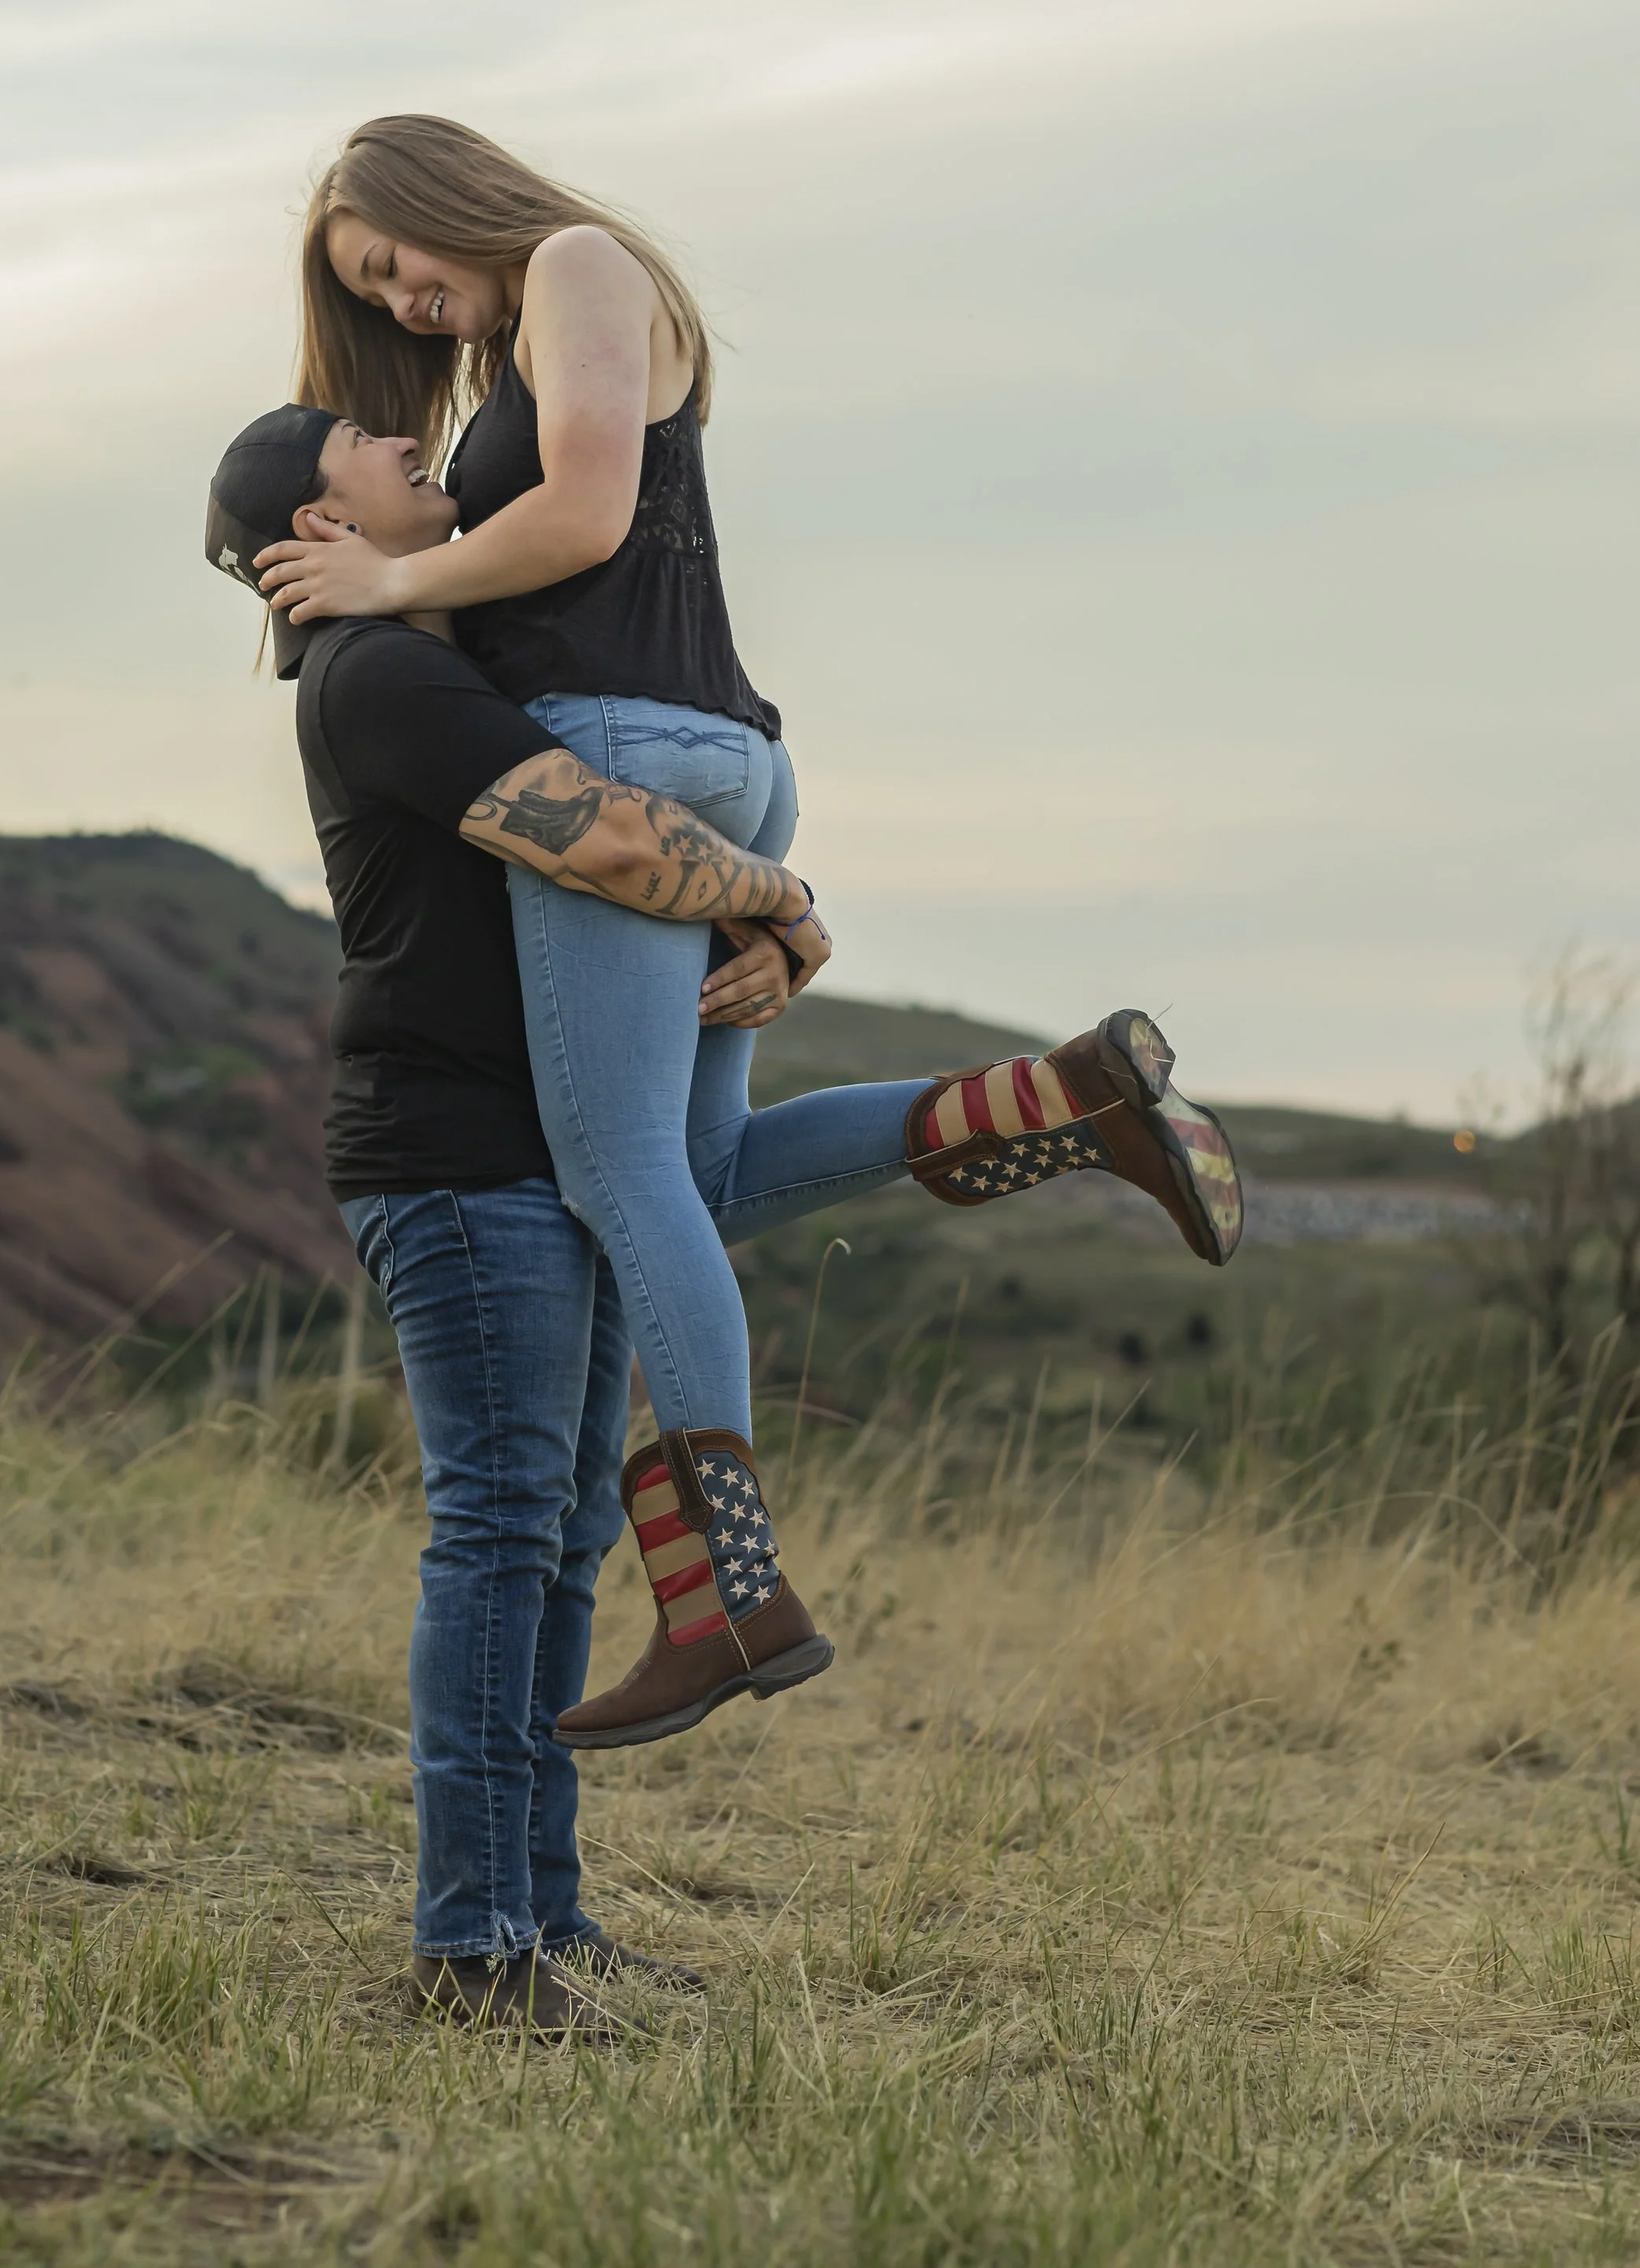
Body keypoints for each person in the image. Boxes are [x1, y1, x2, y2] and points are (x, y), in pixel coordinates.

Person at [208, 401, 1244, 2028]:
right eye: (355, 437)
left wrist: (758, 923)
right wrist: (785, 903)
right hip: (459, 1165)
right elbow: (613, 836)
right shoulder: (375, 675)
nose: (404, 436)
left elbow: (617, 891)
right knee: (503, 1537)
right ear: (310, 529)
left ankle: (542, 1924)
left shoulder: (444, 650)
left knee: (561, 1528)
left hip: (542, 1151)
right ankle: (474, 1941)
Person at [251, 118, 1243, 1749]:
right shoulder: (535, 329)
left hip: (626, 746)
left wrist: (378, 591)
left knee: (614, 1171)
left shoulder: (576, 265)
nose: (404, 302)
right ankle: (1063, 1102)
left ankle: (723, 1594)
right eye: (374, 294)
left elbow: (585, 518)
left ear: (441, 196)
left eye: (394, 261)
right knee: (694, 1179)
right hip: (718, 753)